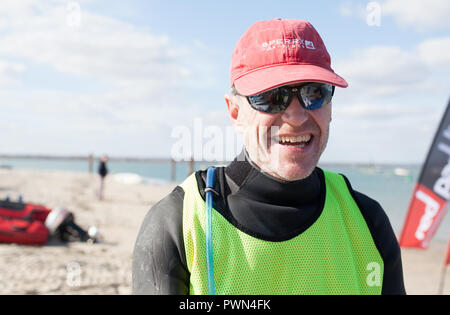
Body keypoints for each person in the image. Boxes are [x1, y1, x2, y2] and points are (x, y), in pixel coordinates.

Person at [132, 19, 406, 295]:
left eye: (314, 93)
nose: (297, 117)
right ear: (235, 112)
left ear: (331, 105)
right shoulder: (181, 223)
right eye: (274, 96)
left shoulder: (367, 221)